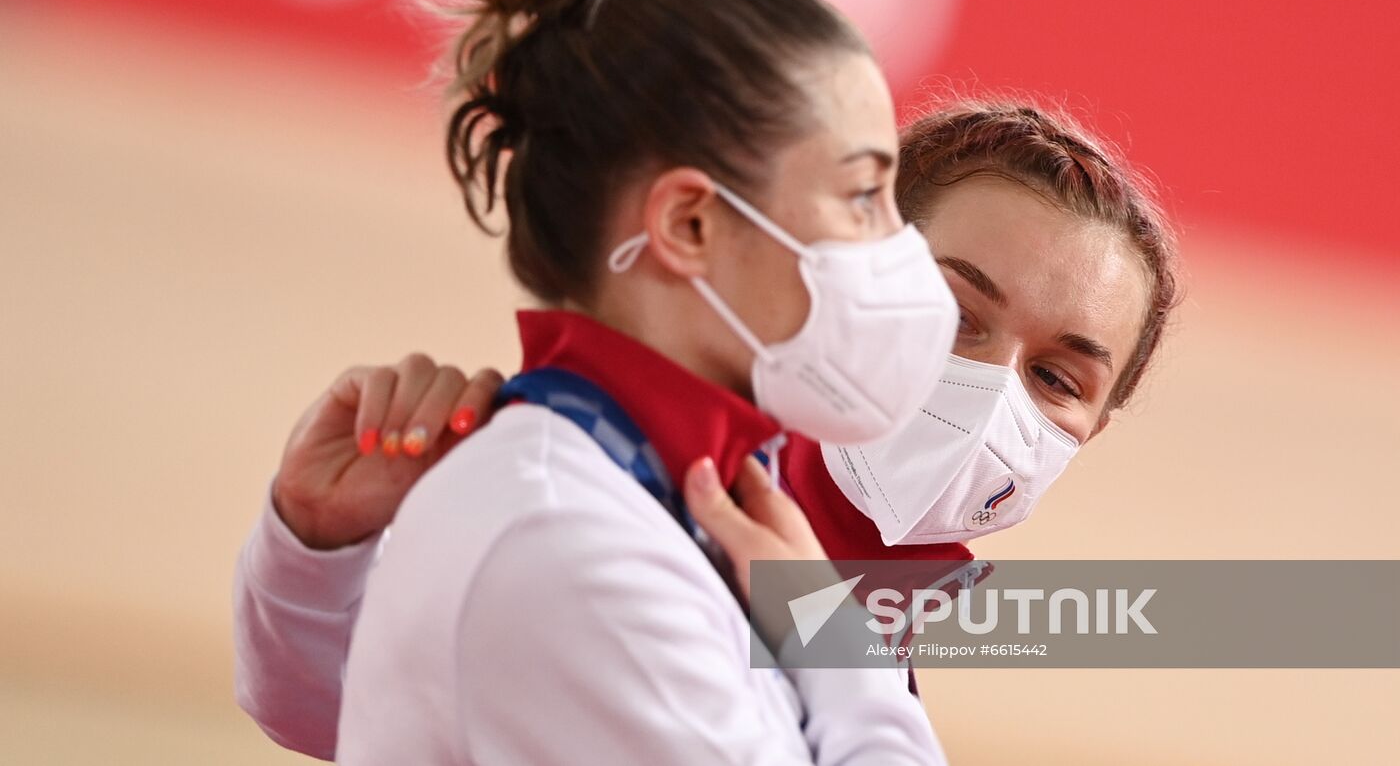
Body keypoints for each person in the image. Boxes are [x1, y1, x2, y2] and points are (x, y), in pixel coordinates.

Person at [236, 91, 1181, 759]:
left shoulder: (859, 622)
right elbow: (353, 709)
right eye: (957, 310)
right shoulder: (645, 484)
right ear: (856, 275)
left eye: (1057, 375)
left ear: (1090, 430)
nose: (985, 383)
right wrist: (324, 546)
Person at [259, 0, 969, 764]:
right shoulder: (569, 538)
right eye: (863, 195)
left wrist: (314, 556)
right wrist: (842, 653)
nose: (900, 247)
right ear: (690, 226)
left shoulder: (664, 493)